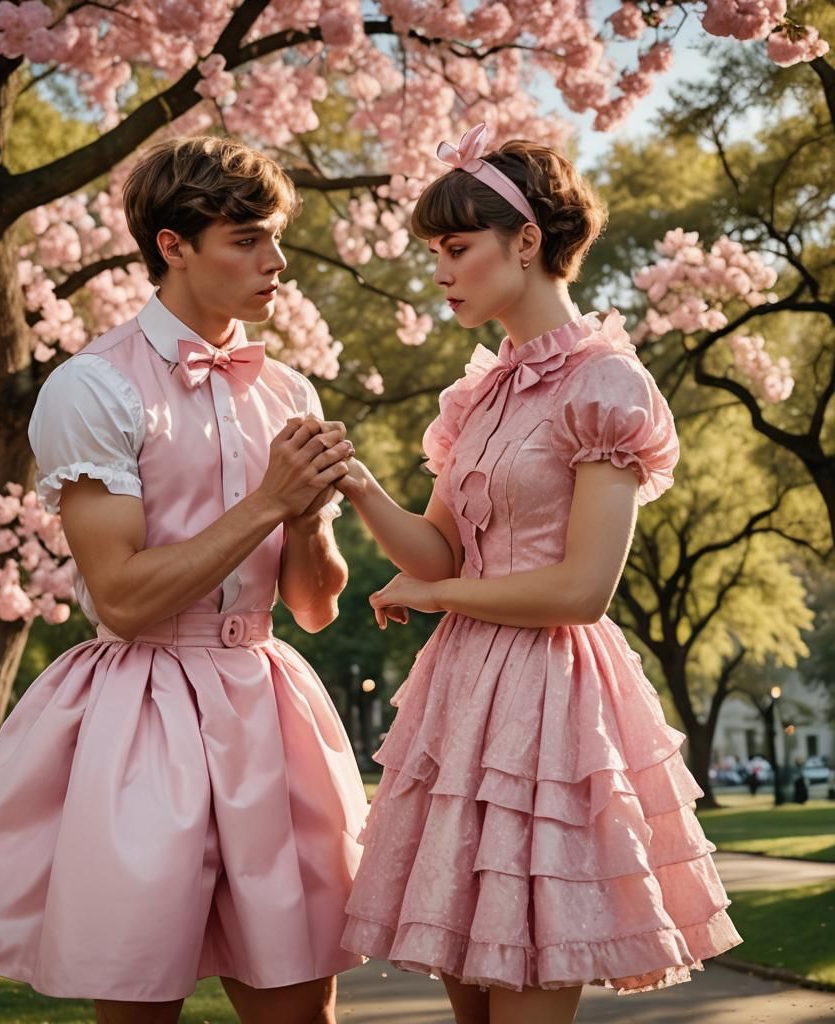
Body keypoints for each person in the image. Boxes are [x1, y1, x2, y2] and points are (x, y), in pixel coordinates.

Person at [0, 136, 368, 1024]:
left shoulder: (291, 393)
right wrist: (270, 502)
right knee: (137, 1000)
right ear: (173, 244)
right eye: (246, 239)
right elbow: (121, 599)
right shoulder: (92, 387)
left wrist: (309, 518)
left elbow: (314, 608)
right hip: (144, 715)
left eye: (276, 239)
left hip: (270, 712)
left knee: (301, 1011)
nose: (276, 262)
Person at [336, 125, 742, 1024]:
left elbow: (580, 591)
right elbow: (439, 551)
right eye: (434, 253)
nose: (439, 272)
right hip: (460, 700)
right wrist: (359, 485)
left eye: (456, 248)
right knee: (471, 1008)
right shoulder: (477, 396)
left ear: (527, 241)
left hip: (550, 702)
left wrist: (436, 596)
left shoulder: (608, 386)